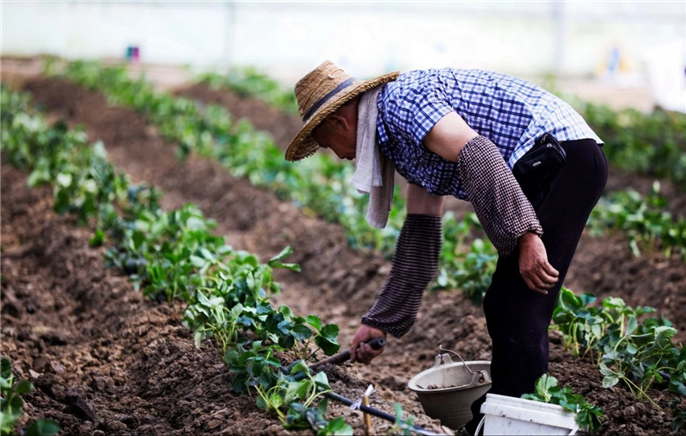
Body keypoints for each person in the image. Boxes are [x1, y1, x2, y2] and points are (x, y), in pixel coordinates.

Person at [285, 61, 608, 434]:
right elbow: (421, 232)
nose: (338, 154)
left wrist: (526, 236)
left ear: (340, 124)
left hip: (564, 157)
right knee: (506, 303)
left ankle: (518, 422)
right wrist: (381, 322)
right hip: (539, 167)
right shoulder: (396, 138)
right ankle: (501, 418)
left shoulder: (402, 104)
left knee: (520, 304)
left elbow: (478, 154)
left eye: (327, 144)